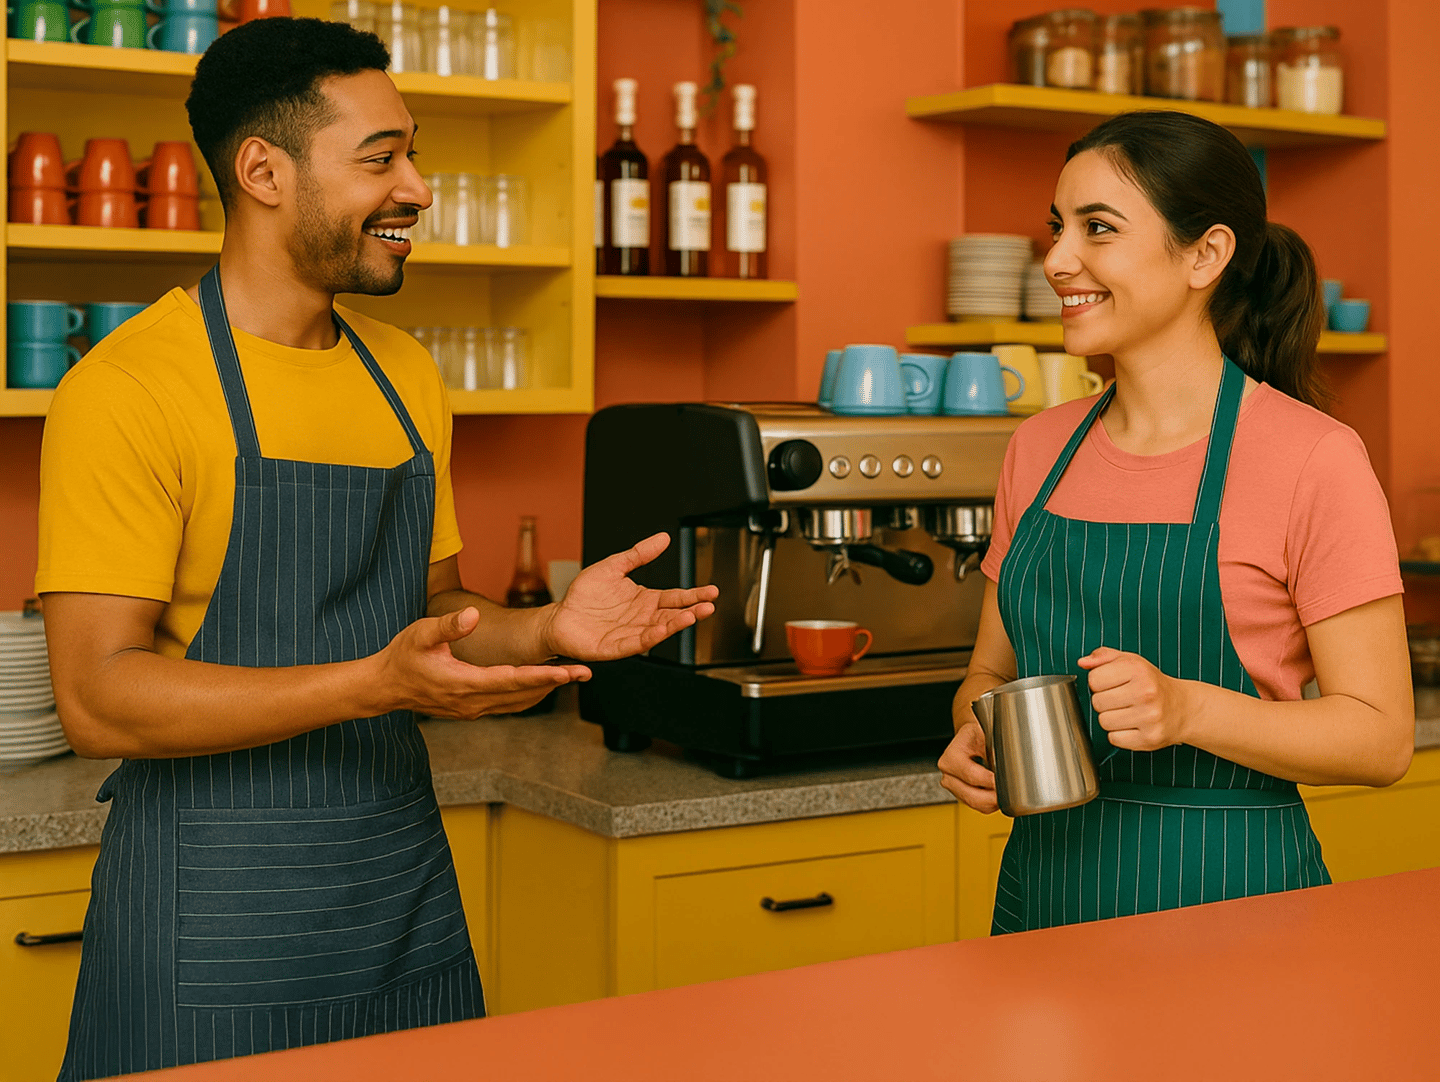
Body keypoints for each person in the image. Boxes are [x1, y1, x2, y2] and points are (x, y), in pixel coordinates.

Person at [37, 18, 717, 1080]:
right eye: (382, 157)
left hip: (398, 891)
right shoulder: (128, 390)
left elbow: (439, 611)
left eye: (415, 153)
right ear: (262, 170)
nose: (419, 188)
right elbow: (98, 696)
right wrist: (370, 681)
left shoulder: (403, 372)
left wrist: (544, 623)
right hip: (212, 917)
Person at [937, 111, 1413, 934]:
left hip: (1234, 906)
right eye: (1058, 228)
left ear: (1207, 254)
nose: (1057, 261)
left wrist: (1189, 711)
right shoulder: (1037, 449)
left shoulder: (1313, 459)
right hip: (1043, 902)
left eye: (1099, 229)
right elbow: (989, 673)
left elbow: (1381, 739)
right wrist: (975, 733)